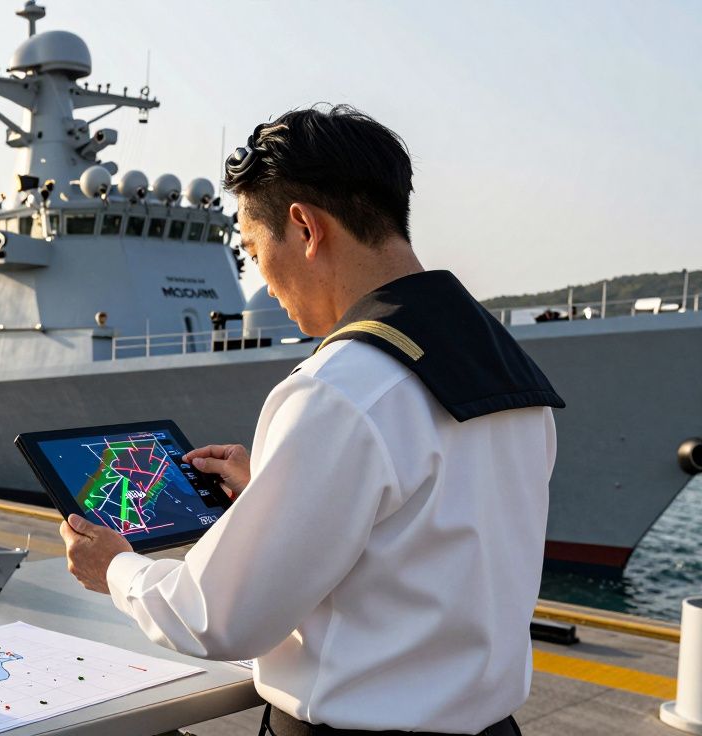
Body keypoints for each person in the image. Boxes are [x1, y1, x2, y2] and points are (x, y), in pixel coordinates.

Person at [59, 105, 563, 735]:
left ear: (303, 227)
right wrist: (277, 489)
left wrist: (117, 568)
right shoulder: (508, 370)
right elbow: (429, 530)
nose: (263, 283)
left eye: (250, 247)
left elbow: (217, 617)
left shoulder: (339, 389)